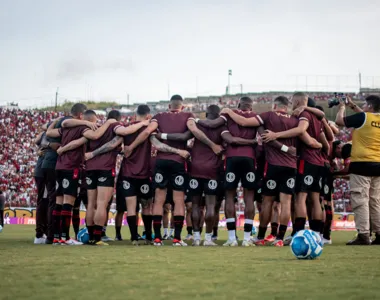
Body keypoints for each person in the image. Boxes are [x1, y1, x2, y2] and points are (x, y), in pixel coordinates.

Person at [124, 95, 194, 246]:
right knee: (178, 201)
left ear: (169, 106)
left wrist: (131, 146)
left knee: (158, 200)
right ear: (181, 106)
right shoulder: (188, 116)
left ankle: (157, 238)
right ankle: (176, 238)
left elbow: (146, 132)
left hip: (161, 162)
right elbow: (191, 133)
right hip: (178, 163)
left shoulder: (158, 117)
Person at [260, 93, 328, 245]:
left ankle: (298, 233)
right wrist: (322, 148)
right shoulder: (316, 117)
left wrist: (310, 143)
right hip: (318, 161)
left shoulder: (303, 115)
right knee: (315, 199)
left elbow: (300, 131)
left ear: (297, 101)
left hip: (305, 160)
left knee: (300, 199)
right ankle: (318, 235)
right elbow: (327, 136)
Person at [47, 106, 113, 245]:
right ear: (87, 119)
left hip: (59, 166)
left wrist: (55, 124)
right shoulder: (83, 129)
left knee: (59, 202)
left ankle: (56, 237)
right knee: (68, 202)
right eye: (94, 121)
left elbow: (50, 132)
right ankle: (65, 238)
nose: (96, 124)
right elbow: (92, 137)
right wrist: (107, 123)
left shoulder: (66, 127)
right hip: (71, 166)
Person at [198, 97, 259, 246]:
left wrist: (194, 121)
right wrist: (252, 142)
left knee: (229, 196)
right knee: (249, 198)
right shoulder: (256, 117)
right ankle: (246, 238)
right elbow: (261, 136)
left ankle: (231, 238)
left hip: (231, 158)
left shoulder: (227, 116)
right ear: (250, 107)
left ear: (238, 105)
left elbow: (214, 125)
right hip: (249, 159)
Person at [335, 95, 380, 245]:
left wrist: (342, 107)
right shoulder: (372, 119)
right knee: (375, 201)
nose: (364, 106)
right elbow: (366, 118)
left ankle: (363, 234)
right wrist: (353, 105)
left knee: (360, 200)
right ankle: (379, 233)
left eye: (365, 105)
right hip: (378, 165)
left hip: (362, 164)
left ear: (370, 106)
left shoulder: (363, 117)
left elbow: (339, 122)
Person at [186, 105, 225, 246]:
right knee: (210, 205)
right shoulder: (222, 128)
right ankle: (208, 239)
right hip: (212, 171)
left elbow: (185, 138)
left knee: (195, 205)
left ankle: (196, 238)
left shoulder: (197, 124)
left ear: (206, 113)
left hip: (195, 169)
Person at [33, 131, 48, 244]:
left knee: (44, 202)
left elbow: (36, 141)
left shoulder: (45, 133)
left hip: (41, 171)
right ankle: (40, 234)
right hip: (44, 172)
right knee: (44, 202)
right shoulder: (50, 134)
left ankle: (43, 232)